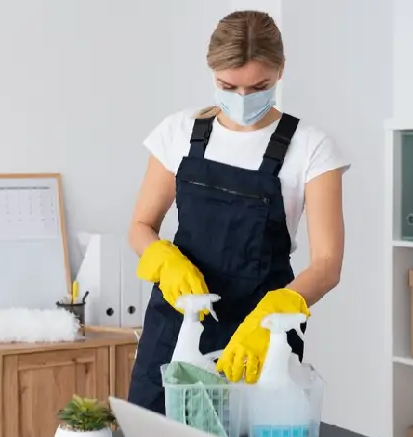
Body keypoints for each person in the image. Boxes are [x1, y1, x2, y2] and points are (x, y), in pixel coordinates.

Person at [126, 10, 349, 414]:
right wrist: (163, 260)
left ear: (280, 71)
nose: (243, 99)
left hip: (261, 333)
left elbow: (328, 263)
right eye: (229, 86)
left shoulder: (312, 148)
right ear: (213, 72)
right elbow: (141, 226)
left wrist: (274, 315)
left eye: (259, 86)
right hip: (178, 324)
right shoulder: (179, 132)